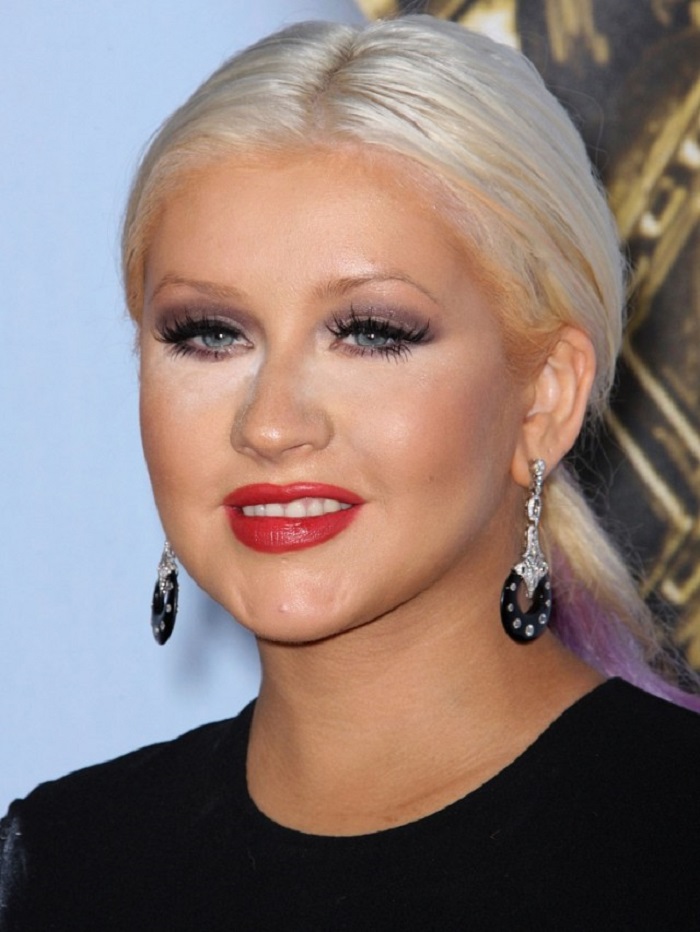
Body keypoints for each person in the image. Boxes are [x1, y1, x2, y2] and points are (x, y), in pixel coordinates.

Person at [1, 14, 699, 930]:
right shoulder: (61, 866)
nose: (270, 424)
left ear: (544, 397)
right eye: (209, 335)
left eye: (370, 333)